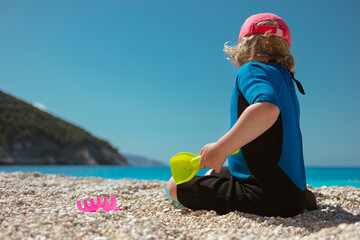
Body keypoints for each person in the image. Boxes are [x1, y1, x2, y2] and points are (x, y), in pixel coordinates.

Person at [167, 13, 317, 217]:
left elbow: (266, 109)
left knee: (175, 186)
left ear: (244, 47)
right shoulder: (286, 80)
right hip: (300, 196)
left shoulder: (252, 69)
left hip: (264, 196)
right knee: (218, 172)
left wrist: (221, 148)